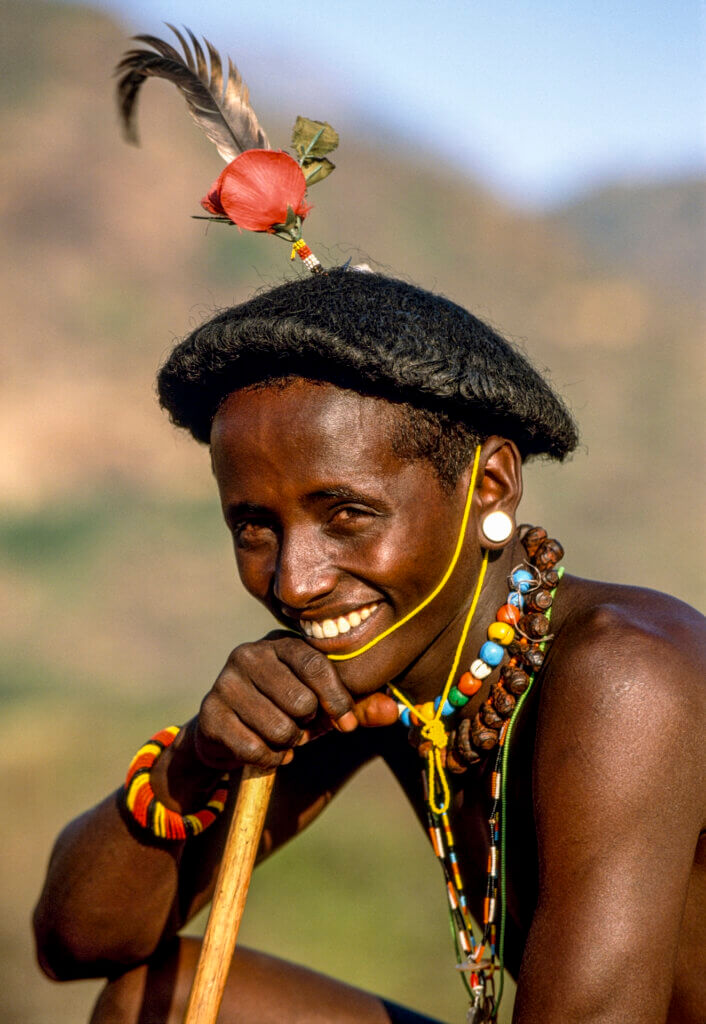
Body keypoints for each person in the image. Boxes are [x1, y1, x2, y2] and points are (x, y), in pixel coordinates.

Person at [33, 269, 705, 1024]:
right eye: (254, 525)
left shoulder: (629, 677)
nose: (295, 583)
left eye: (347, 514)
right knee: (153, 1005)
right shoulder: (381, 680)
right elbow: (76, 943)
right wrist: (197, 760)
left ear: (490, 485)